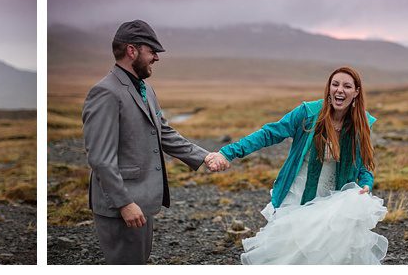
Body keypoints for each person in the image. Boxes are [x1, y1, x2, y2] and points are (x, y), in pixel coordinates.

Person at [81, 20, 227, 264]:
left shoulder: (145, 89)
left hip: (142, 201)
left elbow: (164, 132)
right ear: (132, 50)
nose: (157, 57)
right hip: (121, 205)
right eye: (152, 51)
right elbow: (100, 159)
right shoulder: (106, 92)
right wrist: (125, 203)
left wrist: (203, 156)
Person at [211, 66, 388, 264]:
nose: (340, 90)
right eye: (335, 84)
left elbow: (365, 164)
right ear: (328, 88)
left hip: (334, 200)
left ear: (356, 92)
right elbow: (269, 133)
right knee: (291, 251)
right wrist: (228, 153)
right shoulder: (308, 113)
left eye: (347, 86)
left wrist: (366, 183)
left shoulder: (361, 122)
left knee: (328, 254)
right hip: (298, 193)